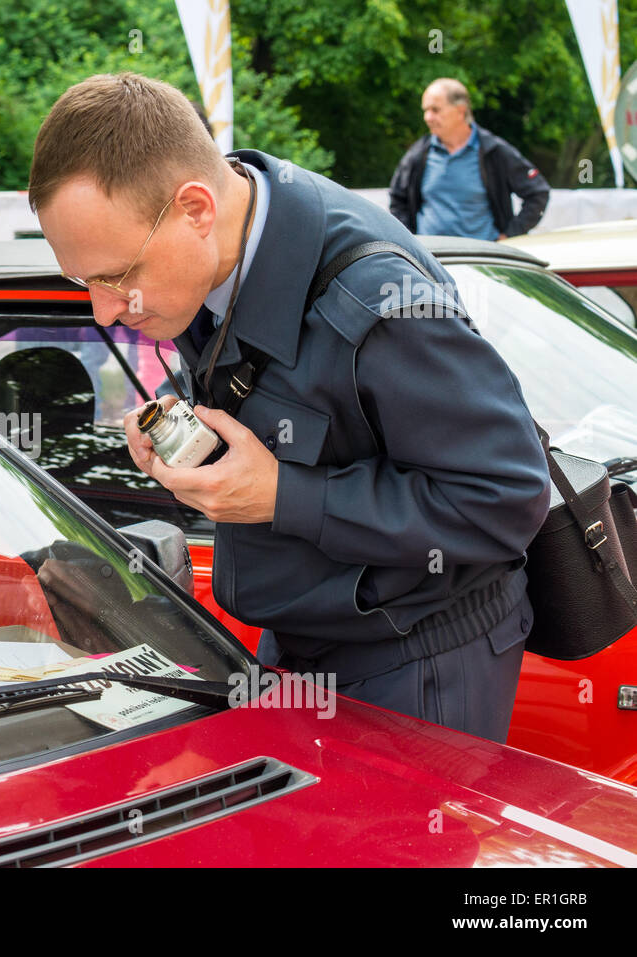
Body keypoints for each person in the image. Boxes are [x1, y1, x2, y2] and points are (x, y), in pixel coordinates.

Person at [28, 72, 551, 743]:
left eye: (116, 275)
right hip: (298, 645)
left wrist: (280, 494)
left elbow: (504, 498)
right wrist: (184, 416)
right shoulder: (224, 242)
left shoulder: (376, 302)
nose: (105, 310)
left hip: (415, 660)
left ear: (195, 209)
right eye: (83, 280)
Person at [388, 77, 548, 240]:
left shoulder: (494, 151)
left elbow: (538, 193)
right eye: (425, 110)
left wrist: (510, 234)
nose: (427, 117)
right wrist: (410, 241)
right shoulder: (418, 154)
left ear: (460, 111)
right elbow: (398, 200)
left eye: (435, 110)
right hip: (429, 260)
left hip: (481, 259)